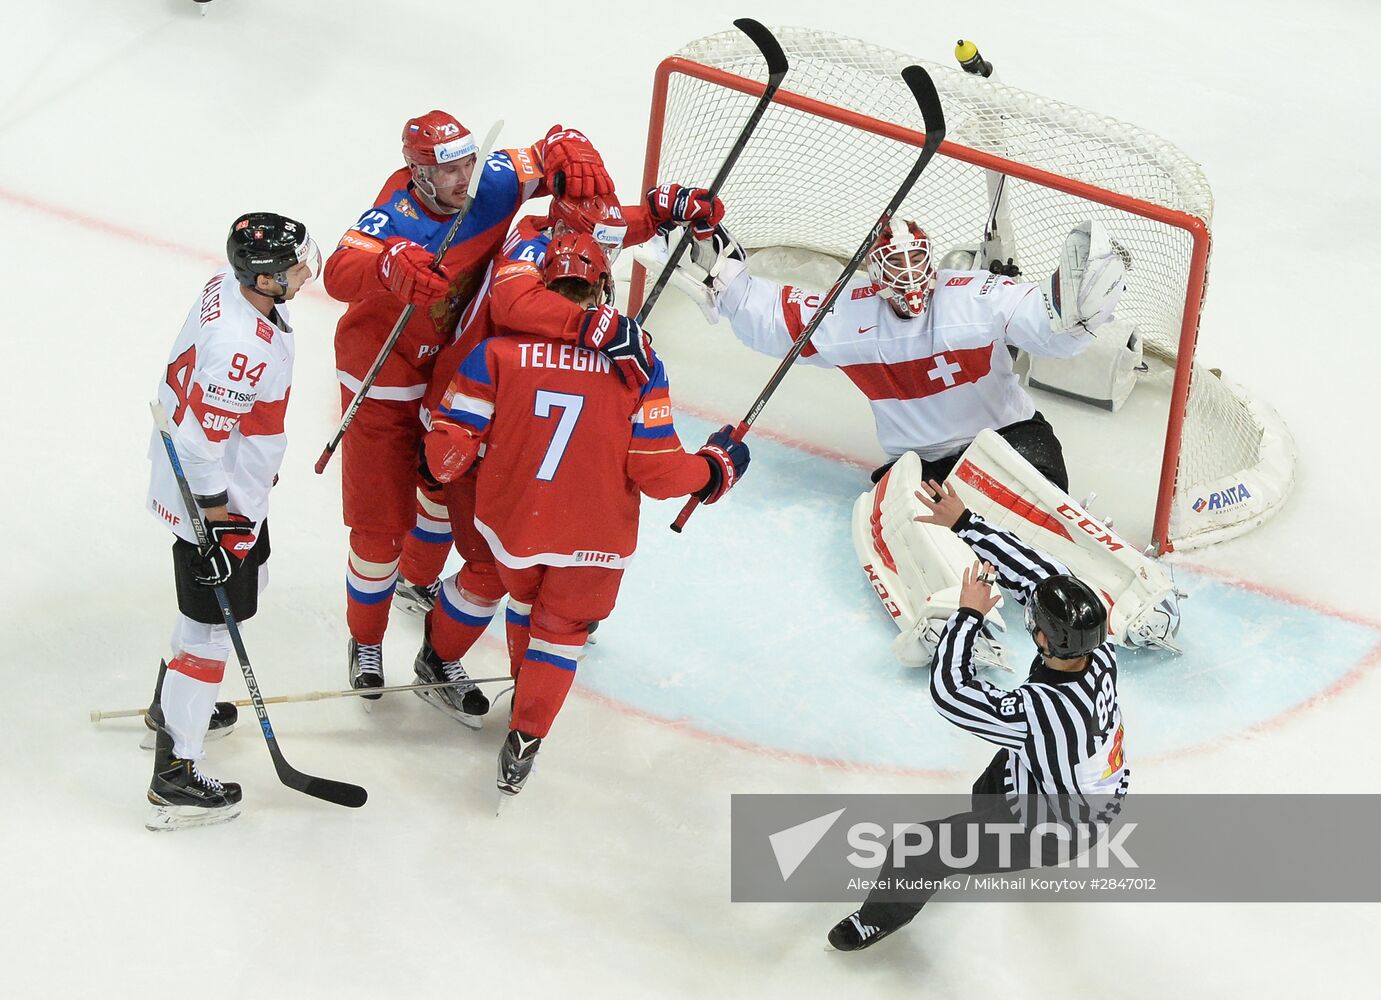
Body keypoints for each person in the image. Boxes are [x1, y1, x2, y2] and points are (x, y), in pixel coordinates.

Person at [420, 233, 750, 795]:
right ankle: (522, 743)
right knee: (561, 630)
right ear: (602, 287)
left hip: (510, 528)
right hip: (592, 541)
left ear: (545, 288)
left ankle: (434, 661)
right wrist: (716, 468)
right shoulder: (640, 364)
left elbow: (449, 452)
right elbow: (658, 472)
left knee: (501, 588)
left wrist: (442, 469)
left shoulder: (496, 354)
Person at [324, 110, 616, 700]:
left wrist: (571, 144)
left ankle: (425, 608)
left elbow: (555, 164)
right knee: (379, 530)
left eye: (467, 164)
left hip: (456, 385)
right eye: (447, 170)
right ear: (418, 174)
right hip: (382, 381)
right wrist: (387, 266)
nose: (463, 179)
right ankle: (368, 641)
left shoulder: (492, 181)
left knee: (457, 514)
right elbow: (337, 272)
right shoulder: (395, 213)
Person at [828, 478, 1128, 951]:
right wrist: (967, 524)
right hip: (1078, 785)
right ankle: (978, 839)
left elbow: (953, 692)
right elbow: (1040, 575)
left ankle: (878, 920)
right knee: (987, 790)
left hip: (1056, 829)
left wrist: (966, 616)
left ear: (1045, 641)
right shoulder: (1098, 651)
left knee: (916, 851)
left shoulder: (1043, 711)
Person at [144, 212, 320, 830]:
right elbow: (198, 446)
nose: (307, 267)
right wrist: (219, 526)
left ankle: (173, 705)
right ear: (266, 281)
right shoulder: (241, 352)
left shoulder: (234, 286)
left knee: (245, 594)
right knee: (211, 629)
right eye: (295, 263)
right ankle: (176, 771)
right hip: (214, 498)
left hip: (235, 488)